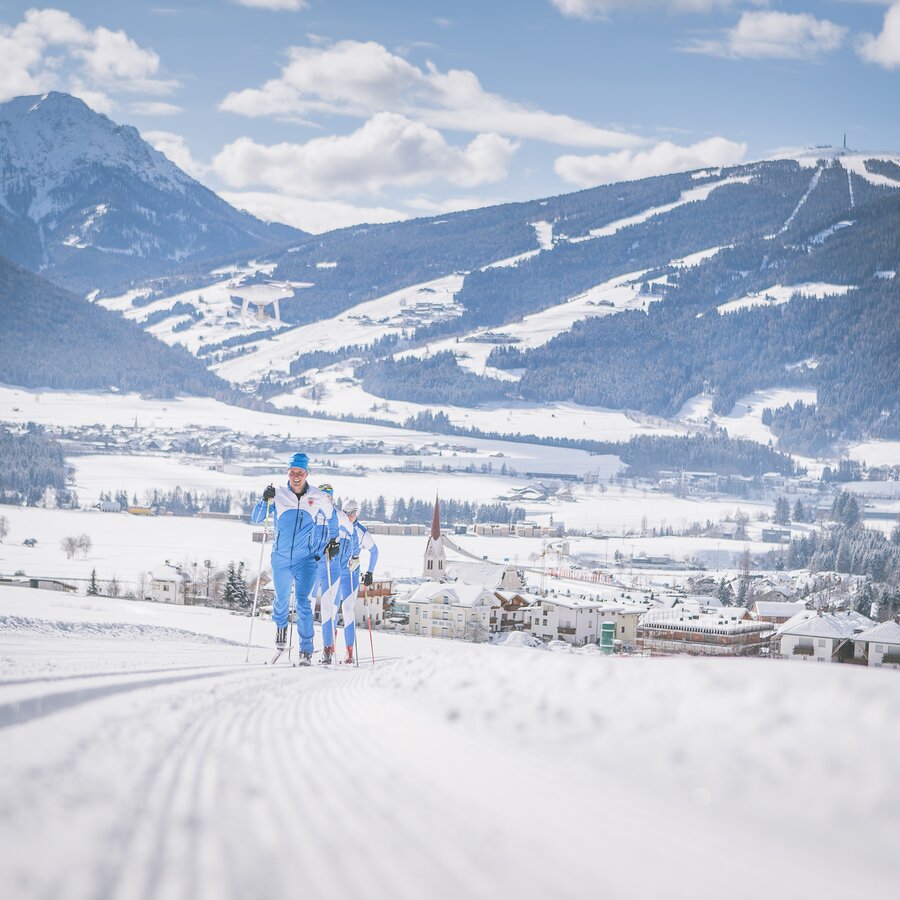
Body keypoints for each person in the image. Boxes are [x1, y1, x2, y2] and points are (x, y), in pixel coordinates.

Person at [252, 453, 339, 665]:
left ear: (306, 473)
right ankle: (281, 628)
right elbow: (256, 518)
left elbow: (332, 517)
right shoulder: (278, 494)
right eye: (292, 472)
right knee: (281, 600)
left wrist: (334, 540)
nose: (296, 476)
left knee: (302, 603)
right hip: (281, 558)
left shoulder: (317, 496)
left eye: (300, 472)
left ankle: (306, 650)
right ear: (288, 473)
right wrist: (264, 500)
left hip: (305, 560)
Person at [315, 484, 359, 664]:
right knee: (307, 604)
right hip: (312, 563)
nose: (326, 498)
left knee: (328, 608)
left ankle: (327, 649)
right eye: (323, 495)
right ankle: (306, 648)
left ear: (332, 498)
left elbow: (353, 535)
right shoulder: (312, 512)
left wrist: (355, 556)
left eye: (329, 496)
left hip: (330, 566)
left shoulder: (339, 516)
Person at [343, 498, 379, 655]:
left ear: (357, 513)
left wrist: (370, 572)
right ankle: (328, 648)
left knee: (347, 610)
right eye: (346, 512)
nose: (349, 516)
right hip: (336, 572)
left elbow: (374, 552)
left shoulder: (361, 532)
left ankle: (349, 650)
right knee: (330, 609)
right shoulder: (337, 526)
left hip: (351, 574)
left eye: (353, 512)